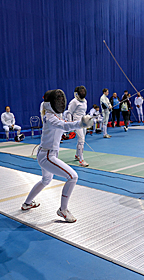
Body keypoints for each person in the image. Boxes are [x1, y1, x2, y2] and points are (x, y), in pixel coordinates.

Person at [21, 89, 94, 223]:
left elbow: (64, 122)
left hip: (46, 153)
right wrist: (81, 123)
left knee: (46, 180)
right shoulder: (50, 117)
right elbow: (64, 126)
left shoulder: (53, 114)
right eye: (58, 100)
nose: (60, 102)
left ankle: (27, 203)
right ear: (50, 103)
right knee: (72, 176)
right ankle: (63, 210)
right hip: (47, 156)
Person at [67, 85, 89, 167]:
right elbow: (69, 113)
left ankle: (77, 155)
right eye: (81, 92)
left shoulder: (85, 101)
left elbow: (84, 113)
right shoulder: (74, 102)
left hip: (84, 123)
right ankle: (81, 160)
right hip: (77, 123)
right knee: (81, 140)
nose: (83, 93)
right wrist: (70, 124)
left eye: (83, 91)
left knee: (81, 140)